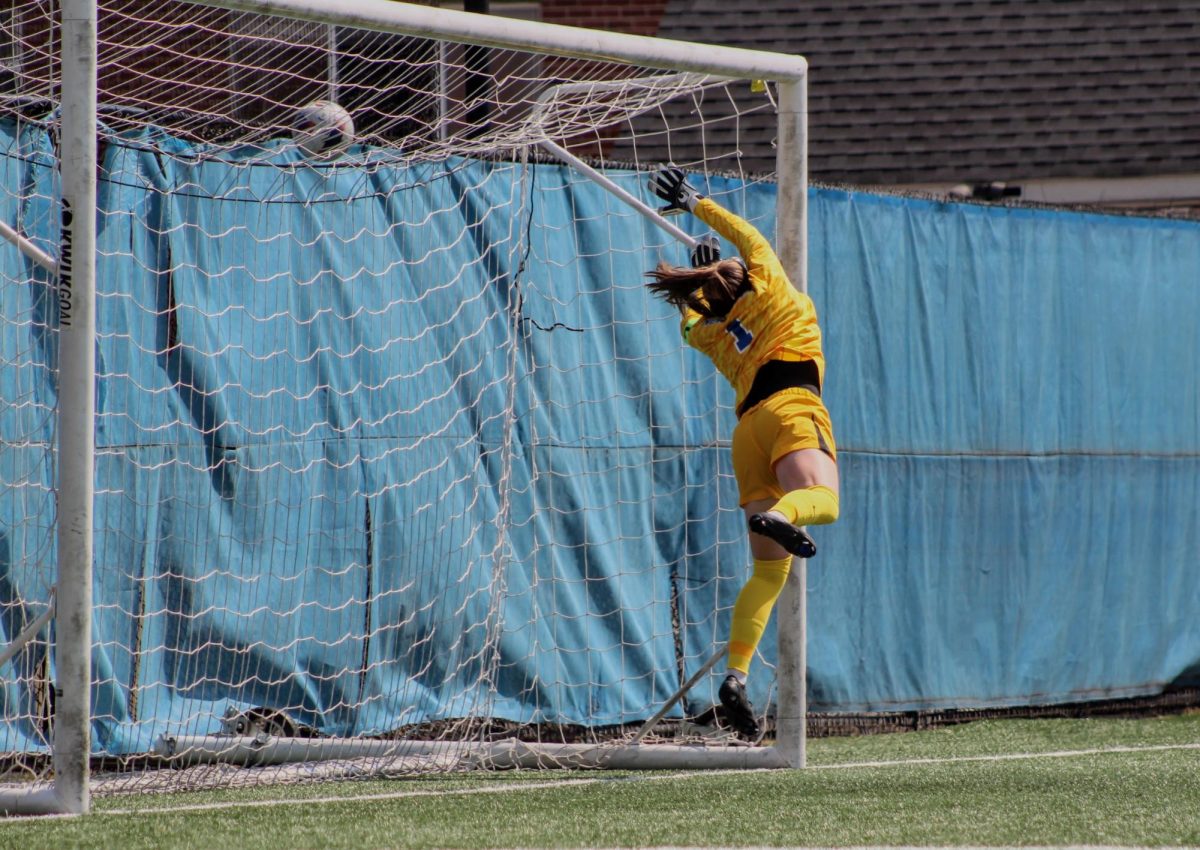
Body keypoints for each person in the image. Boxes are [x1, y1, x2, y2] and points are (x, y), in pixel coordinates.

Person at [645, 166, 840, 742]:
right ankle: (784, 517)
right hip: (791, 409)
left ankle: (735, 676)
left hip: (747, 432)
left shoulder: (710, 329)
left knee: (768, 571)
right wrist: (698, 203)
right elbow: (749, 238)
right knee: (822, 501)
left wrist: (700, 291)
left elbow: (688, 326)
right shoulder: (775, 289)